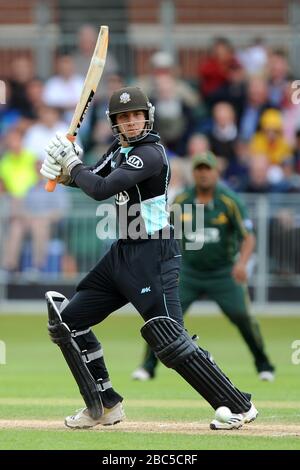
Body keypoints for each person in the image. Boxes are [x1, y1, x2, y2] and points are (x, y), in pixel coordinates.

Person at [40, 86, 257, 430]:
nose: (130, 122)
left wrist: (73, 163)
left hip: (154, 253)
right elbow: (93, 178)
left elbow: (100, 190)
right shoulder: (120, 149)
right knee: (68, 322)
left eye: (135, 115)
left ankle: (238, 406)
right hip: (123, 252)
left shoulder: (151, 153)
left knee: (170, 339)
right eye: (123, 118)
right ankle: (105, 405)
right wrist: (62, 172)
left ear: (147, 116)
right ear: (115, 123)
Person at [132, 151, 275, 383]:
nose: (203, 174)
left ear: (216, 172)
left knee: (243, 316)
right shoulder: (182, 200)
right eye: (198, 169)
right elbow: (163, 231)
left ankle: (264, 364)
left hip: (223, 272)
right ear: (194, 173)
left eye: (207, 169)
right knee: (164, 317)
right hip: (188, 271)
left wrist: (241, 264)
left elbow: (249, 237)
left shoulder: (229, 200)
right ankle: (148, 367)